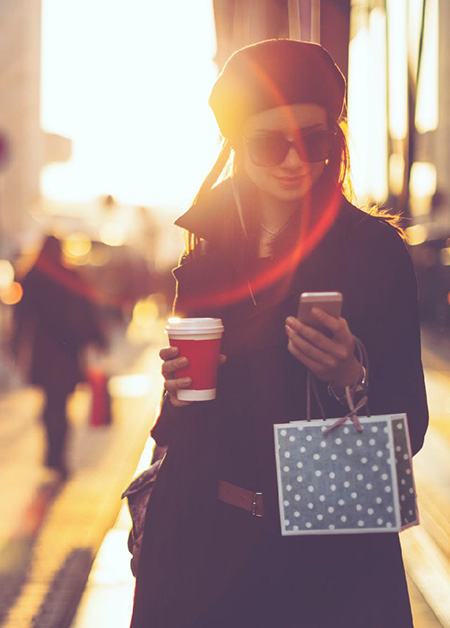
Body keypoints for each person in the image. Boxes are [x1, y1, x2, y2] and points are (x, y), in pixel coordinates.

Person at [130, 40, 428, 628]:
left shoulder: (373, 251)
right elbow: (180, 422)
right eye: (272, 144)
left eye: (314, 141)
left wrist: (351, 375)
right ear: (237, 145)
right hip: (208, 550)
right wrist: (177, 384)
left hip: (332, 557)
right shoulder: (207, 252)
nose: (295, 160)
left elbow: (411, 427)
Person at [12, 235, 104, 479]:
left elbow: (20, 317)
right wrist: (94, 339)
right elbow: (86, 311)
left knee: (50, 403)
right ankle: (57, 455)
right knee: (61, 404)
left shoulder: (31, 276)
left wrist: (14, 348)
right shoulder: (69, 274)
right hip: (66, 351)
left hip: (42, 352)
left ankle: (52, 453)